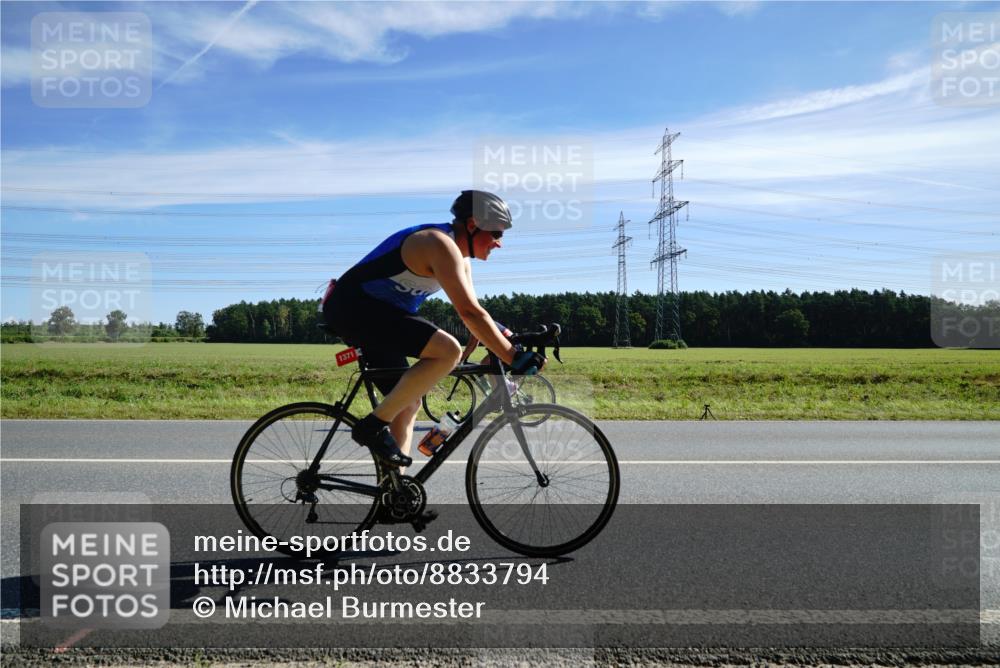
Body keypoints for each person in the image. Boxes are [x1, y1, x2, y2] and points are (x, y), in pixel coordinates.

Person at [323, 190, 546, 467]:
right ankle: (371, 427)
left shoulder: (461, 258)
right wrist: (513, 357)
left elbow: (475, 313)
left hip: (380, 315)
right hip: (352, 308)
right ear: (473, 225)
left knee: (406, 404)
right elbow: (469, 314)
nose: (499, 243)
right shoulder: (438, 243)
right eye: (497, 234)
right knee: (448, 351)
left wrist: (508, 338)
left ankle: (394, 491)